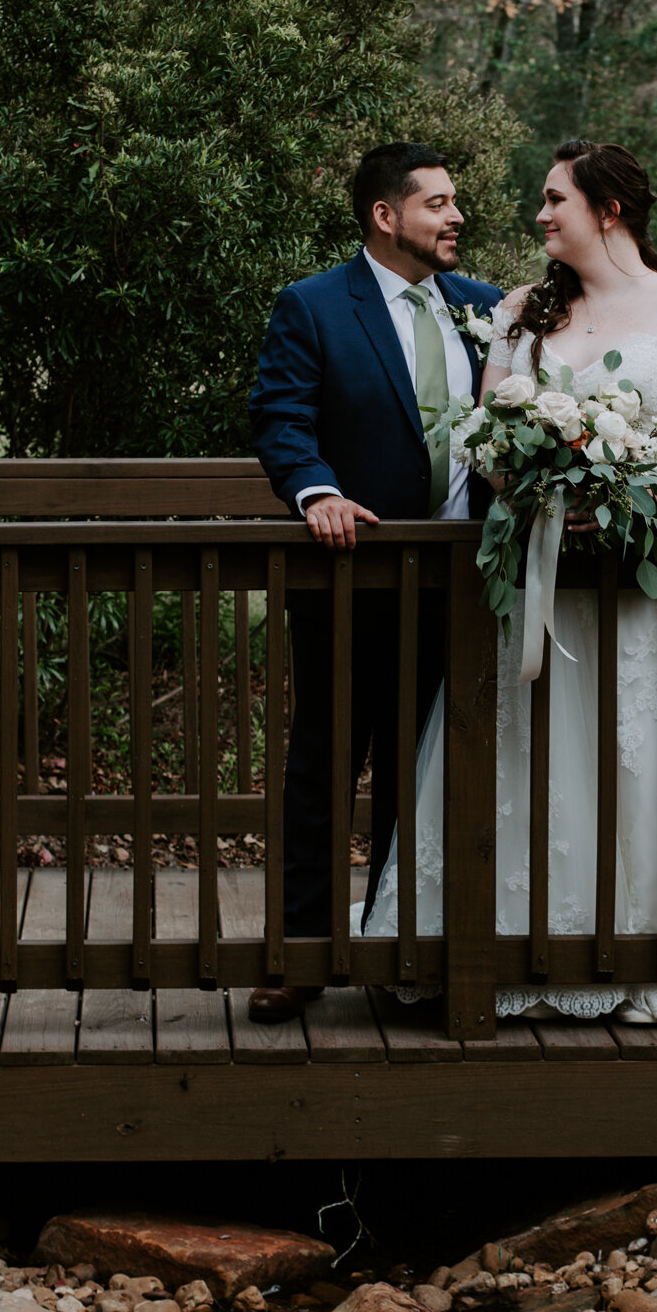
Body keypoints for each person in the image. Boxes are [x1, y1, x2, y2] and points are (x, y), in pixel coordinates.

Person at [362, 138, 657, 1026]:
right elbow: (484, 434)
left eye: (553, 199)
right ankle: (513, 944)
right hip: (535, 561)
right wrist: (532, 482)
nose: (538, 215)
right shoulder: (520, 311)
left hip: (652, 567)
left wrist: (628, 493)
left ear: (607, 209)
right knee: (534, 746)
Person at [246, 143, 500, 1023]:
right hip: (350, 576)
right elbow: (282, 417)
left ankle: (404, 953)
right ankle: (301, 955)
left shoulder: (489, 308)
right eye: (436, 204)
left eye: (454, 202)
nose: (455, 216)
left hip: (464, 584)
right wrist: (316, 491)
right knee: (324, 763)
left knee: (423, 771)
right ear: (385, 217)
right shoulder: (314, 306)